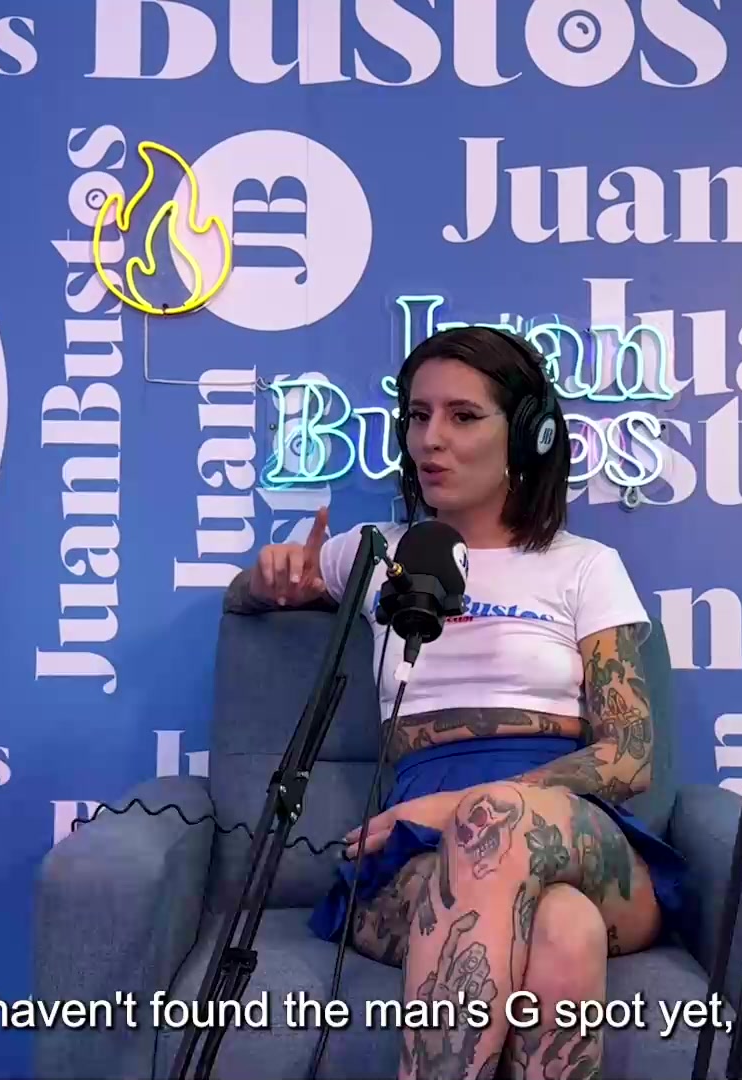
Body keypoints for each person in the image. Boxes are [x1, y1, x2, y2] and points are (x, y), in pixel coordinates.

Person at [224, 325, 687, 1080]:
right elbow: (244, 596)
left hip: (571, 831)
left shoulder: (585, 567)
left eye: (463, 416)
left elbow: (628, 757)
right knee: (563, 928)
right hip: (414, 851)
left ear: (527, 436)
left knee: (493, 821)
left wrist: (459, 809)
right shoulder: (377, 552)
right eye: (417, 415)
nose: (430, 439)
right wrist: (267, 578)